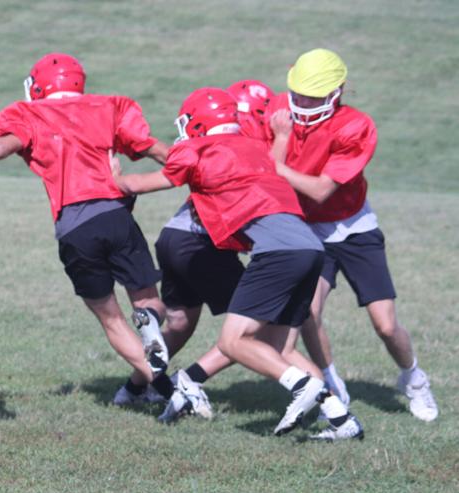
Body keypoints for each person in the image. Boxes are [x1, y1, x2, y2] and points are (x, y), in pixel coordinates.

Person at [113, 87, 363, 441]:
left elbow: (146, 183)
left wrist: (116, 179)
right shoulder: (256, 148)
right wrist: (281, 137)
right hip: (311, 248)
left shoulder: (198, 149)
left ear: (197, 123)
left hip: (277, 253)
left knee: (233, 341)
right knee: (281, 347)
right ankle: (342, 419)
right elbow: (273, 166)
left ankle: (299, 385)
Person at [0, 52, 174, 400]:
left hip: (75, 228)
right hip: (116, 216)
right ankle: (150, 326)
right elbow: (150, 147)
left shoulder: (31, 114)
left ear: (39, 86)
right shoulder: (109, 108)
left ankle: (169, 392)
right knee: (149, 303)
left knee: (112, 320)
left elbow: (4, 145)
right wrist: (193, 166)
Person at [268, 48, 438, 421]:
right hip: (308, 231)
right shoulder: (279, 109)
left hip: (353, 228)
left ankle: (413, 378)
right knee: (308, 312)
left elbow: (320, 190)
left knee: (386, 325)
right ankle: (331, 383)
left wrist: (274, 165)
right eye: (299, 94)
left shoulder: (355, 126)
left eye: (313, 97)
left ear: (337, 92)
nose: (303, 103)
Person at [114, 79, 276, 414]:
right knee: (261, 326)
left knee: (180, 323)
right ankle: (187, 381)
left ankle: (132, 389)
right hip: (203, 244)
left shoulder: (216, 146)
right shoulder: (252, 148)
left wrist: (115, 181)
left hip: (174, 237)